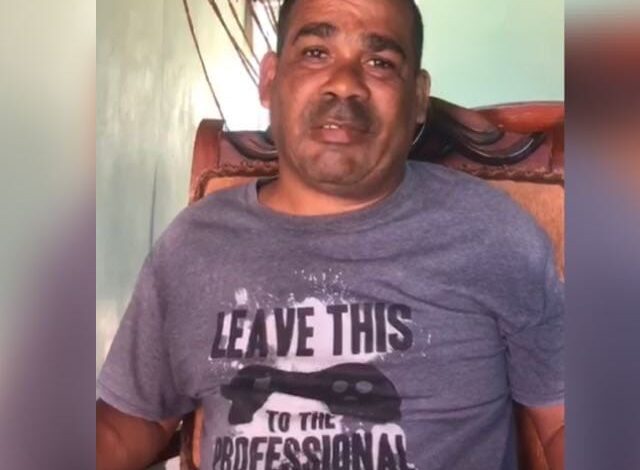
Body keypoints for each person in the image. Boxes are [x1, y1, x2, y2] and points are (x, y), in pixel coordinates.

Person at [97, 0, 564, 469]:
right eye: (316, 53)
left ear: (419, 98)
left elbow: (564, 423)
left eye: (380, 62)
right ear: (270, 79)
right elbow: (131, 422)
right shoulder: (194, 245)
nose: (344, 83)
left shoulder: (490, 233)